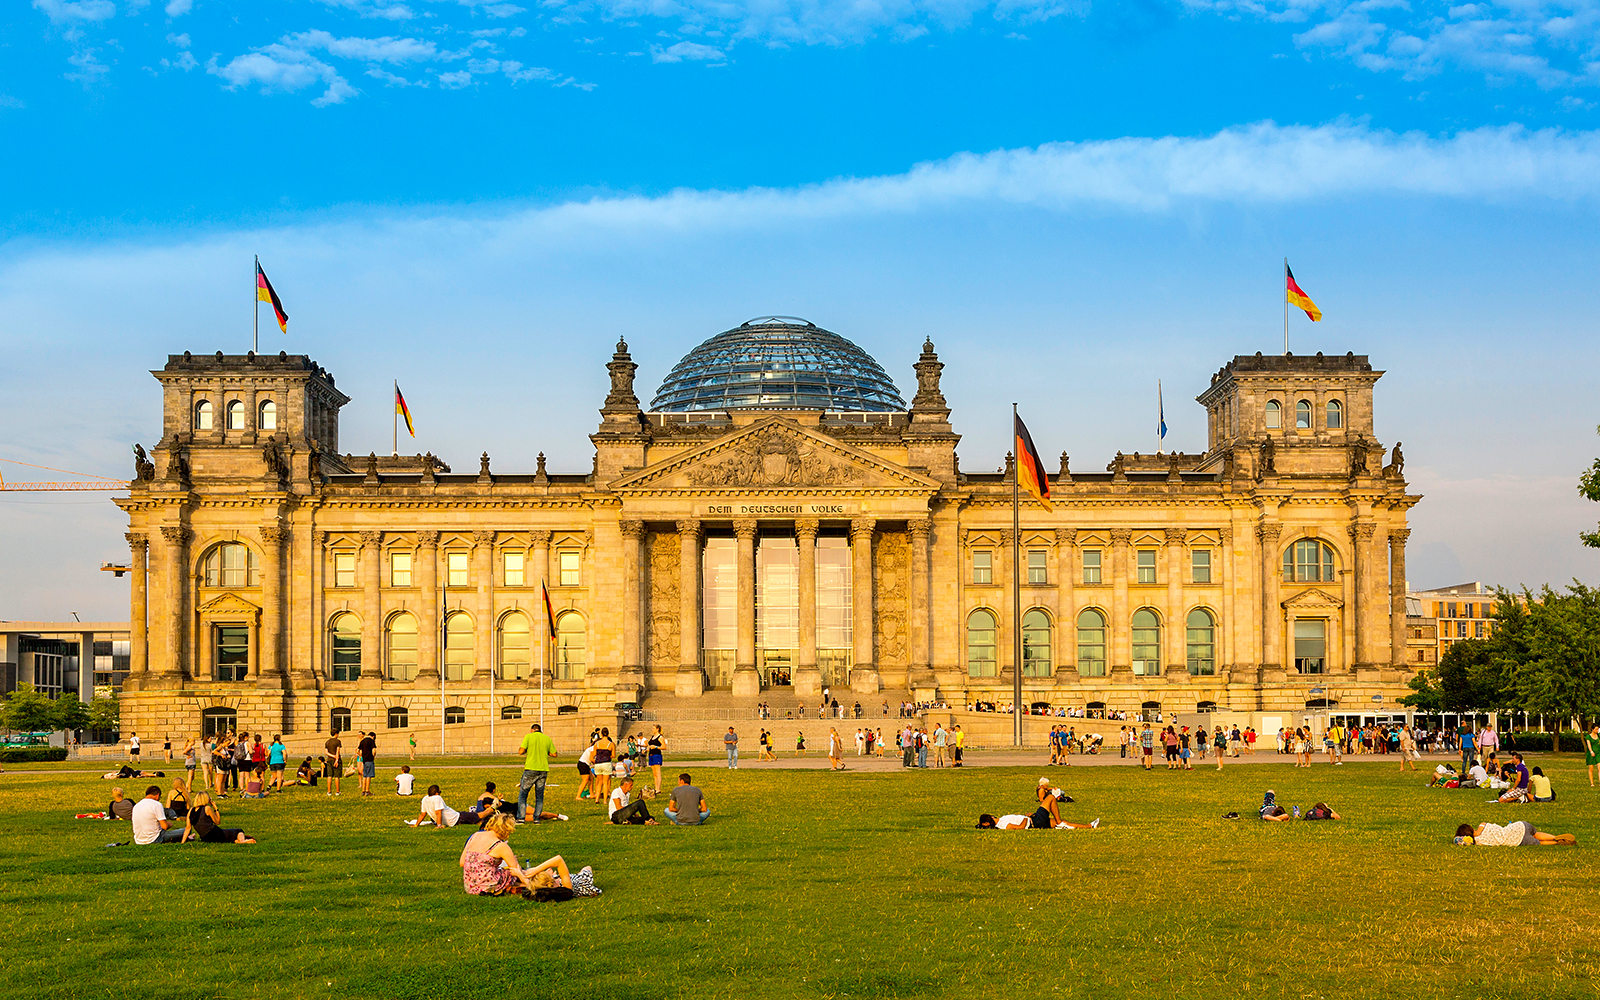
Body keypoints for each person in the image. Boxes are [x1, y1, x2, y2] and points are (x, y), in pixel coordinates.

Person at [460, 812, 539, 897]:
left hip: (470, 886)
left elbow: (462, 862)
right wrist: (515, 862)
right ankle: (536, 881)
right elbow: (515, 870)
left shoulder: (474, 836)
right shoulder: (500, 845)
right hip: (488, 886)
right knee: (510, 873)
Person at [516, 722, 557, 823]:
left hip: (530, 768)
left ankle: (521, 818)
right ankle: (537, 818)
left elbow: (521, 751)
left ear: (532, 730)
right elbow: (554, 754)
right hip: (543, 770)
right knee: (539, 795)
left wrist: (527, 750)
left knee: (523, 794)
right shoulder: (547, 738)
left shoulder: (528, 737)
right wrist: (545, 751)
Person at [182, 791, 256, 844]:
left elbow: (188, 828)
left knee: (229, 834)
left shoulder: (191, 810)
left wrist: (183, 842)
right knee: (239, 831)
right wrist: (215, 807)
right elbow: (218, 822)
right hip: (215, 834)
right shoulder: (207, 808)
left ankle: (239, 840)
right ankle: (242, 841)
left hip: (205, 838)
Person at [1455, 821, 1575, 846]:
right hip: (1519, 826)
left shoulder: (1479, 842)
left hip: (1517, 841)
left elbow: (1460, 842)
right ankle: (1555, 837)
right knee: (1536, 833)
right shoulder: (1483, 825)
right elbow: (1482, 825)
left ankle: (1556, 843)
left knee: (1538, 842)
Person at [976, 812, 1099, 830]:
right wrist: (1026, 818)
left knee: (1061, 821)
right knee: (1050, 798)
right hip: (1033, 822)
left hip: (1032, 819)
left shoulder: (1001, 819)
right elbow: (1020, 828)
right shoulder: (1002, 824)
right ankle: (1089, 826)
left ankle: (1089, 826)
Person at [357, 730, 377, 797]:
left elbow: (358, 750)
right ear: (373, 737)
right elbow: (374, 751)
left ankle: (363, 790)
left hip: (364, 760)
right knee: (369, 776)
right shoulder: (371, 741)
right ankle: (367, 791)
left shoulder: (362, 741)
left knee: (365, 775)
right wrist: (373, 757)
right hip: (369, 760)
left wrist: (361, 755)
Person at [647, 724, 666, 794]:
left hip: (657, 755)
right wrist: (647, 750)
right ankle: (656, 787)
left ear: (657, 729)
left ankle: (658, 789)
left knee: (658, 772)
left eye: (653, 728)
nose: (652, 730)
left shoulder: (660, 737)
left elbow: (664, 747)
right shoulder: (652, 737)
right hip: (651, 755)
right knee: (654, 773)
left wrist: (656, 747)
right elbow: (650, 746)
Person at [324, 730, 343, 796]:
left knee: (329, 776)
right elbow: (337, 751)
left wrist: (332, 756)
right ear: (336, 734)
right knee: (336, 776)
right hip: (336, 760)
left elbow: (326, 752)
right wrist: (336, 759)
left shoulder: (327, 742)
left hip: (329, 760)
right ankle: (337, 791)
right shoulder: (338, 741)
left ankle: (329, 791)